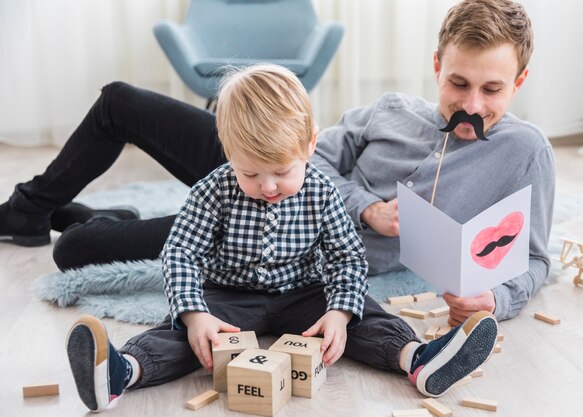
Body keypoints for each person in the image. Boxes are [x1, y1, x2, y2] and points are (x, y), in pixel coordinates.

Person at [0, 0, 554, 324]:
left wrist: (495, 299)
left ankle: (105, 219)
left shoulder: (524, 153)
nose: (472, 105)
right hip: (269, 163)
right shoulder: (389, 110)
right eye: (458, 83)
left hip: (277, 234)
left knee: (75, 249)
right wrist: (366, 207)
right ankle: (27, 208)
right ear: (437, 65)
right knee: (120, 99)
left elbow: (534, 260)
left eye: (492, 89)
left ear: (520, 83)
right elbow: (311, 162)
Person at [65, 64, 498, 412]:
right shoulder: (213, 189)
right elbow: (181, 253)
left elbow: (347, 259)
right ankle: (123, 371)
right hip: (230, 296)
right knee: (184, 335)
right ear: (228, 150)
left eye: (283, 172)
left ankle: (418, 360)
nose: (268, 187)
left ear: (310, 146)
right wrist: (194, 313)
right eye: (250, 173)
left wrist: (341, 314)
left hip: (304, 294)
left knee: (367, 315)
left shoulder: (322, 190)